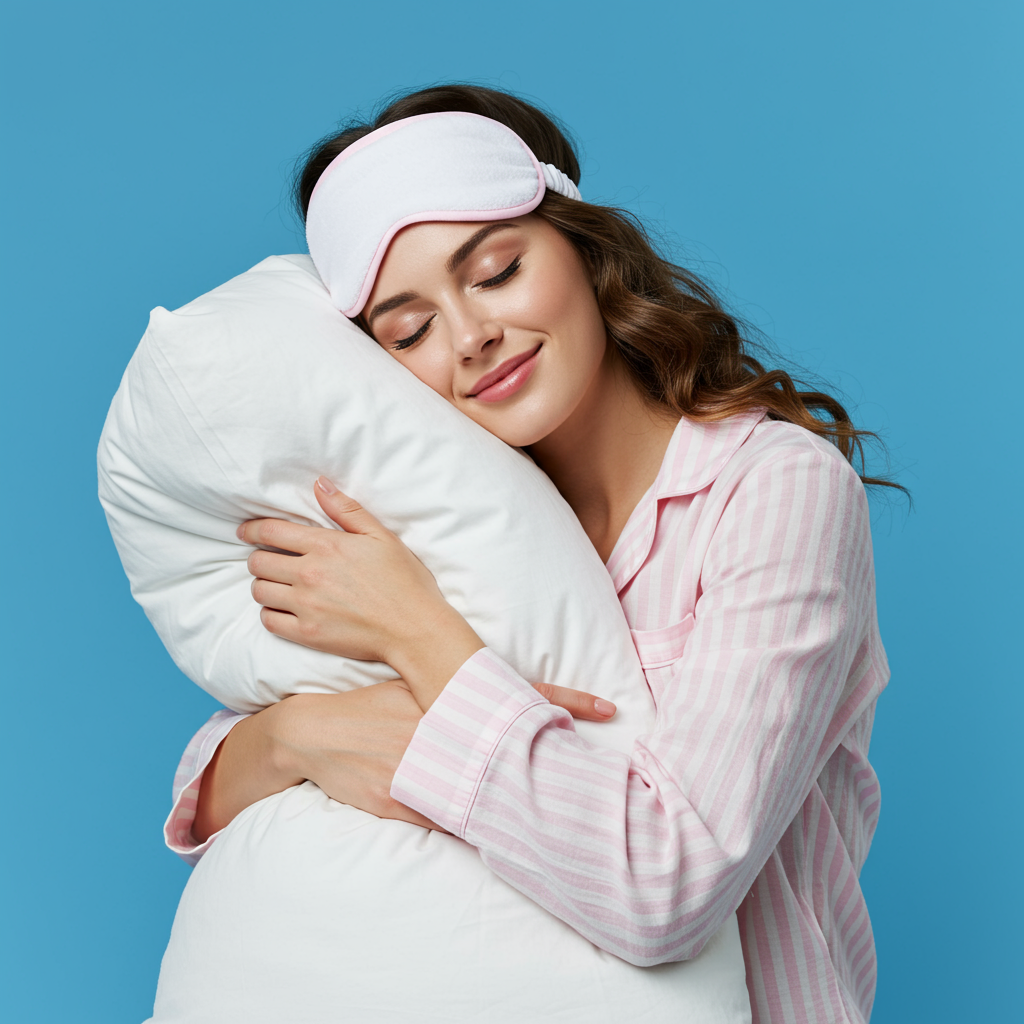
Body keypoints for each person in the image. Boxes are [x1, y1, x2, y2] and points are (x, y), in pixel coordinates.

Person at [168, 85, 894, 1024]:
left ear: (584, 247)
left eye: (496, 270)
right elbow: (214, 793)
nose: (472, 338)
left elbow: (665, 886)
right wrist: (301, 737)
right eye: (411, 329)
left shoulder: (771, 491)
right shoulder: (449, 518)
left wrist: (419, 632)